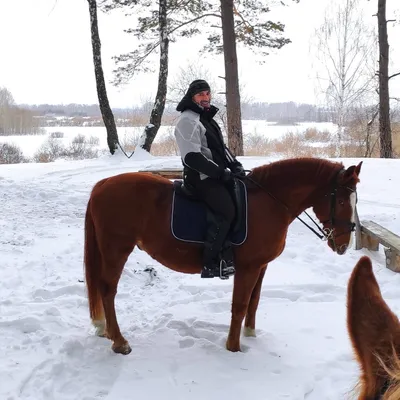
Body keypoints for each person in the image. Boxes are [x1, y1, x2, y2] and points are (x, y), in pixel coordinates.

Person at [174, 79, 246, 279]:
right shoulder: (187, 120)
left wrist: (235, 165)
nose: (205, 98)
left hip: (215, 174)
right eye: (200, 95)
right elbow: (192, 157)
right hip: (200, 178)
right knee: (226, 210)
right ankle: (211, 262)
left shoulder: (205, 118)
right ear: (192, 97)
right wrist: (220, 173)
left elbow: (220, 149)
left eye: (207, 93)